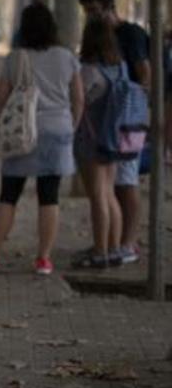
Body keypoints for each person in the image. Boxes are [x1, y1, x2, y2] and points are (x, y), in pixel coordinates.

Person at [0, 3, 85, 275]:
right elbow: (78, 98)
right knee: (49, 197)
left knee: (8, 195)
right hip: (57, 130)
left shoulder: (15, 58)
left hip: (21, 132)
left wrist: (0, 128)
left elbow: (1, 99)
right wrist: (70, 125)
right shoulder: (66, 57)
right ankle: (43, 259)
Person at [80, 0, 147, 265]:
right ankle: (114, 246)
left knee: (118, 188)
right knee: (112, 191)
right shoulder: (117, 62)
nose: (91, 17)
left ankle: (120, 246)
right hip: (120, 129)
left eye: (94, 11)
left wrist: (136, 114)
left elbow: (146, 75)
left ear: (110, 7)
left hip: (118, 129)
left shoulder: (130, 35)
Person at [73, 19, 126, 268]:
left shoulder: (89, 71)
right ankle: (115, 248)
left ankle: (99, 250)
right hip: (115, 138)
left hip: (91, 139)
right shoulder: (120, 68)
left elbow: (77, 101)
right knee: (109, 193)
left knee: (97, 197)